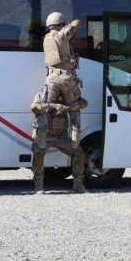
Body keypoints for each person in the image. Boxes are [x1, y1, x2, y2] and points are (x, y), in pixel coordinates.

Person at [30, 90, 88, 194]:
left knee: (79, 153)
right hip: (45, 135)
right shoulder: (42, 95)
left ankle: (78, 184)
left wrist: (70, 106)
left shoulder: (67, 96)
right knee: (38, 155)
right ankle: (38, 186)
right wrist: (53, 106)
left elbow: (84, 103)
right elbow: (34, 107)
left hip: (61, 136)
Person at [42, 12, 84, 146]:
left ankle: (41, 138)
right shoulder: (61, 35)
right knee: (74, 108)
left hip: (51, 79)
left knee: (44, 109)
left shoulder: (46, 38)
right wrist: (70, 24)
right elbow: (76, 23)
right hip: (67, 78)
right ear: (60, 24)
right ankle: (74, 142)